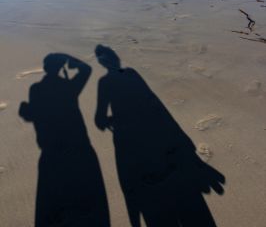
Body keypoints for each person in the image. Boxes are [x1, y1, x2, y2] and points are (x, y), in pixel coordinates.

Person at [95, 45, 225, 227]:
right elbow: (154, 102)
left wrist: (109, 121)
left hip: (130, 139)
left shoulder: (105, 82)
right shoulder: (132, 74)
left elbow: (99, 119)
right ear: (116, 58)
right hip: (159, 132)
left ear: (102, 62)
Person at [19, 53, 110, 227]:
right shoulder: (69, 87)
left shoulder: (35, 89)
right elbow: (87, 69)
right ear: (60, 68)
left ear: (45, 68)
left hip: (49, 151)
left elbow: (30, 114)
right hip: (79, 144)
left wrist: (26, 111)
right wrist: (70, 61)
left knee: (51, 191)